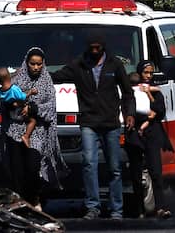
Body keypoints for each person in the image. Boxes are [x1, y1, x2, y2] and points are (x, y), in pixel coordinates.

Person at [52, 30, 134, 220]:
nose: (95, 51)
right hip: (88, 121)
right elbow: (57, 76)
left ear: (103, 46)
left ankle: (116, 209)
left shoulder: (115, 64)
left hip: (111, 122)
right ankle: (93, 207)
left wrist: (129, 114)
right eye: (92, 48)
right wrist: (32, 75)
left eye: (98, 47)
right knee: (89, 164)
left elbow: (127, 92)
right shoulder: (79, 64)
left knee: (114, 167)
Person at [0, 48, 67, 211]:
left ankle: (34, 198)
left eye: (39, 64)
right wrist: (13, 105)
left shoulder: (47, 81)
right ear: (26, 63)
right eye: (32, 64)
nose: (36, 67)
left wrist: (33, 109)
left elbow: (51, 107)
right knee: (17, 170)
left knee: (33, 167)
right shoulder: (15, 78)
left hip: (37, 131)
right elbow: (3, 100)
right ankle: (20, 203)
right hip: (15, 130)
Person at [124, 61, 173, 219]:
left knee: (156, 172)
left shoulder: (155, 91)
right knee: (136, 173)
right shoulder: (131, 91)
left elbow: (159, 111)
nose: (148, 76)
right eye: (146, 73)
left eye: (151, 73)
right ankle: (139, 209)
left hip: (152, 134)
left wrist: (149, 94)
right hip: (134, 134)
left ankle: (161, 207)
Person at [0, 67, 38, 147]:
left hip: (10, 113)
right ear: (9, 77)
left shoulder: (0, 90)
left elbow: (2, 98)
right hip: (19, 111)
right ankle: (26, 136)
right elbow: (22, 97)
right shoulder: (14, 89)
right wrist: (30, 92)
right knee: (32, 121)